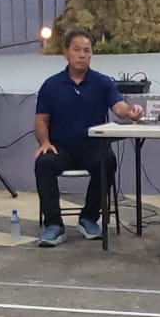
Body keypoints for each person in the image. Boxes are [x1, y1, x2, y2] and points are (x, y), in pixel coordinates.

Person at [33, 29, 143, 247]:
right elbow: (41, 120)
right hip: (61, 148)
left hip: (92, 147)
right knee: (43, 163)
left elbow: (118, 106)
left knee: (107, 161)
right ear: (66, 53)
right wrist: (44, 143)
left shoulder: (103, 82)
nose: (82, 55)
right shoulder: (51, 85)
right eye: (77, 50)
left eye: (87, 51)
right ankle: (54, 224)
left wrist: (130, 111)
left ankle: (89, 218)